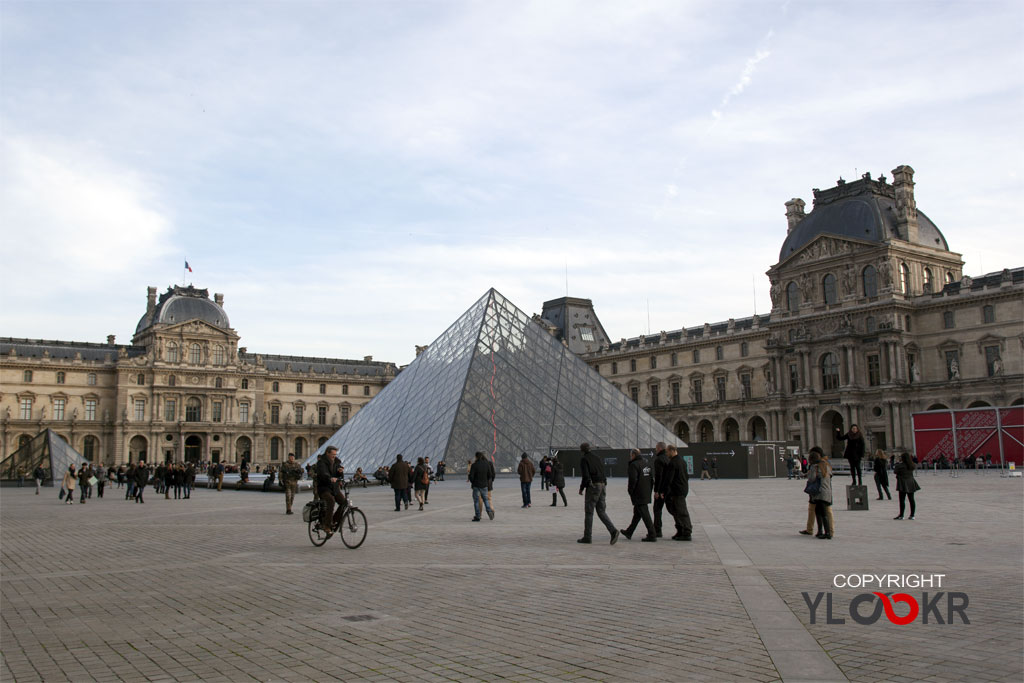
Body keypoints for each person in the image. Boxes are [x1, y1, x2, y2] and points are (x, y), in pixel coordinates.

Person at [577, 442, 619, 545]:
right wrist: (604, 483)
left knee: (589, 512)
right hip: (602, 485)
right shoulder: (597, 457)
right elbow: (603, 471)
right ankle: (613, 531)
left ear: (582, 450)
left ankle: (587, 537)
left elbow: (586, 476)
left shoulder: (584, 459)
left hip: (593, 486)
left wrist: (582, 488)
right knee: (601, 511)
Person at [620, 449, 656, 542]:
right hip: (646, 491)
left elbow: (633, 480)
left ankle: (652, 534)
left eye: (630, 455)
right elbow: (652, 479)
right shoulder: (646, 463)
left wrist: (630, 491)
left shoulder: (634, 465)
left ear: (634, 455)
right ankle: (629, 531)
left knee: (644, 513)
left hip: (638, 492)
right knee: (637, 513)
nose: (630, 457)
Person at [660, 445, 692, 541]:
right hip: (682, 488)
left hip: (677, 490)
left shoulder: (673, 463)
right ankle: (680, 530)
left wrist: (663, 491)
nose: (666, 454)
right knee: (676, 510)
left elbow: (668, 479)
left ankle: (687, 532)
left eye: (667, 452)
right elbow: (687, 476)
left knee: (681, 511)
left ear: (672, 451)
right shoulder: (682, 461)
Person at [315, 447, 346, 535]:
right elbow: (323, 473)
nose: (334, 456)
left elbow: (339, 474)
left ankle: (334, 520)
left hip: (334, 488)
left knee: (344, 503)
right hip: (324, 488)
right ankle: (327, 525)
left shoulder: (337, 462)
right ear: (327, 453)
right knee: (331, 501)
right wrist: (329, 478)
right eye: (333, 454)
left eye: (335, 454)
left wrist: (340, 472)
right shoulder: (321, 462)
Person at [805, 447, 833, 539]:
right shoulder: (826, 465)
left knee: (821, 512)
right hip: (827, 491)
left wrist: (808, 474)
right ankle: (826, 531)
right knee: (824, 512)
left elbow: (812, 478)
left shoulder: (815, 466)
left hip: (819, 492)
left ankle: (825, 532)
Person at [468, 452, 495, 521]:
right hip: (484, 485)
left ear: (476, 457)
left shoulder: (474, 465)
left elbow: (471, 476)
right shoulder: (486, 464)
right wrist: (486, 480)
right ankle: (489, 511)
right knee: (486, 499)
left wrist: (473, 482)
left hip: (476, 485)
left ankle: (478, 516)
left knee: (476, 501)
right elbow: (490, 475)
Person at [893, 452, 920, 520]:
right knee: (911, 499)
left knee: (902, 500)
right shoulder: (912, 465)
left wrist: (898, 463)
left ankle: (901, 515)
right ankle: (912, 515)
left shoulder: (899, 465)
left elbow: (895, 471)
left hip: (902, 482)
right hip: (911, 482)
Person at [651, 442, 669, 538]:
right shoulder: (668, 458)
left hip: (661, 489)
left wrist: (657, 491)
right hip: (668, 488)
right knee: (673, 509)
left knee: (657, 509)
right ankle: (682, 528)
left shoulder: (658, 460)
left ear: (660, 448)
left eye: (656, 448)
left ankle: (657, 530)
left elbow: (659, 476)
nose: (655, 450)